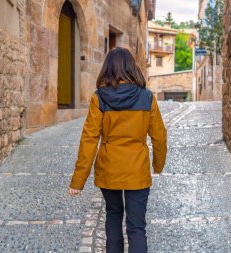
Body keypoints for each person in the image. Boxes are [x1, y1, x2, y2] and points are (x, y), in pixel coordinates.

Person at [68, 47, 167, 253]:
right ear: (133, 68)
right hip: (137, 171)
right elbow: (159, 136)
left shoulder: (99, 98)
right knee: (137, 227)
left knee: (113, 216)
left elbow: (89, 140)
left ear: (108, 69)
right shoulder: (147, 98)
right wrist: (158, 165)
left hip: (109, 169)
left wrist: (78, 180)